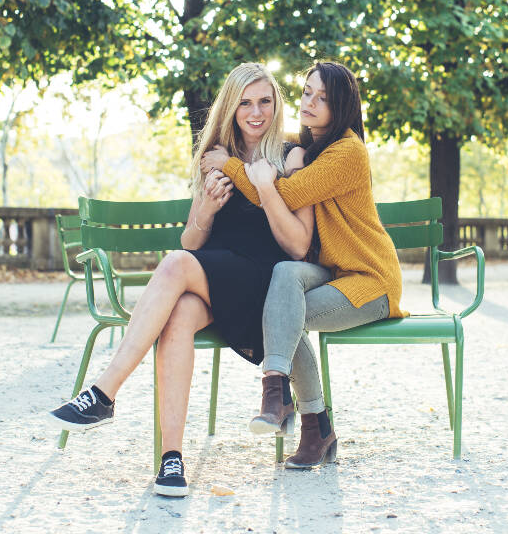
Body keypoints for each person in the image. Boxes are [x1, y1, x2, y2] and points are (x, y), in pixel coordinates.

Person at [49, 63, 314, 496]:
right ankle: (171, 461)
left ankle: (103, 392)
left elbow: (297, 249)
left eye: (265, 101)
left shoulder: (292, 158)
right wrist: (206, 209)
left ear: (276, 104)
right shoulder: (212, 155)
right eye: (245, 103)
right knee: (175, 319)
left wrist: (248, 177)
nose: (256, 112)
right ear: (230, 108)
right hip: (214, 278)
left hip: (264, 286)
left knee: (173, 263)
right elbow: (193, 240)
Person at [201, 61, 407, 469]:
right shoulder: (309, 147)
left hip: (370, 281)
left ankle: (287, 404)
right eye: (307, 92)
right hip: (332, 273)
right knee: (282, 277)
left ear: (342, 106)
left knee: (280, 312)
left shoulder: (347, 151)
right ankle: (309, 421)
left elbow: (288, 194)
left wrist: (228, 165)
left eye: (323, 98)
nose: (310, 102)